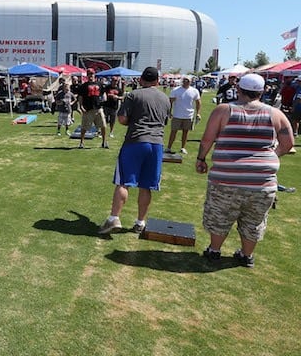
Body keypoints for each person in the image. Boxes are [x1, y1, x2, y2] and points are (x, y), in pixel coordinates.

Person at [195, 73, 294, 268]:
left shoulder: (223, 110)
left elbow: (207, 139)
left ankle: (214, 250)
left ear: (239, 89)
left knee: (220, 214)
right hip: (262, 181)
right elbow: (288, 143)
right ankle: (246, 255)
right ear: (262, 91)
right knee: (254, 220)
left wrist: (201, 158)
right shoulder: (276, 114)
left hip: (226, 178)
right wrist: (271, 156)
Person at [98, 67, 171, 234]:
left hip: (136, 141)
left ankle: (114, 219)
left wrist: (133, 121)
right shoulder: (165, 99)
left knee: (123, 182)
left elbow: (122, 118)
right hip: (157, 144)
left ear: (141, 80)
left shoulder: (133, 95)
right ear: (158, 81)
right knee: (146, 186)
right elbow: (164, 121)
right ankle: (140, 222)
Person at [165, 76, 201, 154]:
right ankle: (169, 147)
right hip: (177, 115)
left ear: (191, 81)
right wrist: (169, 112)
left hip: (188, 115)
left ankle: (183, 148)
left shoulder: (194, 91)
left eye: (187, 80)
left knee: (186, 132)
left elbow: (198, 102)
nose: (185, 82)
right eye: (184, 80)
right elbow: (170, 102)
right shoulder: (176, 90)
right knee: (173, 132)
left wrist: (198, 113)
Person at [77, 68, 108, 149]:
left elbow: (103, 93)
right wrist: (81, 107)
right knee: (84, 127)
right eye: (89, 74)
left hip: (98, 108)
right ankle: (81, 142)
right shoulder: (83, 86)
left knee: (103, 126)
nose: (91, 75)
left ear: (94, 74)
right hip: (88, 109)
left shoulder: (99, 84)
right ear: (87, 75)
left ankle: (104, 142)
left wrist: (104, 99)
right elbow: (80, 97)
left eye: (92, 74)